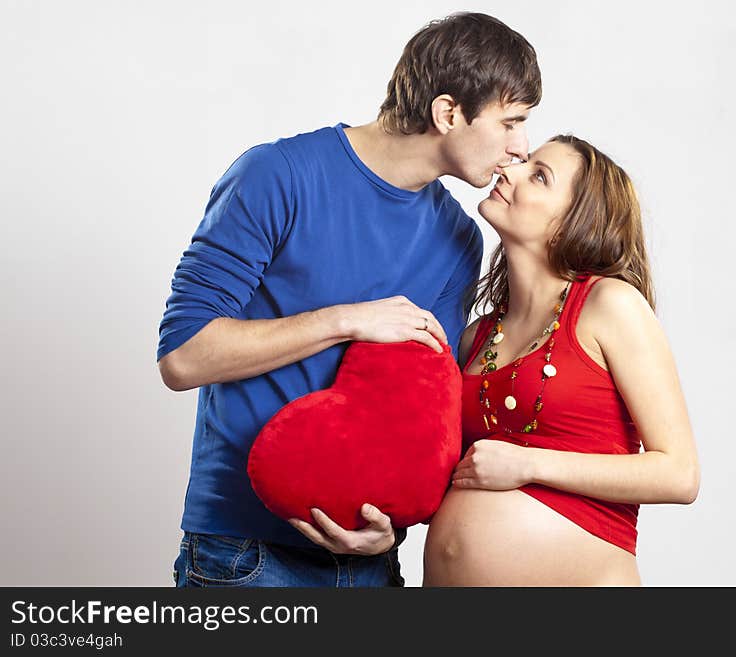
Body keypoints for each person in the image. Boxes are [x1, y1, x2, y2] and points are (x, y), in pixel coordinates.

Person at [157, 12, 541, 587]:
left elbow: (417, 406)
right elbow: (183, 356)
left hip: (370, 557)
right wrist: (346, 321)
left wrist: (394, 526)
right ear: (447, 113)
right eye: (510, 122)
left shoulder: (460, 239)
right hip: (245, 551)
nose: (521, 146)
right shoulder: (277, 175)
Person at [423, 135, 700, 586]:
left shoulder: (610, 306)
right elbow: (451, 471)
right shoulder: (476, 338)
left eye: (538, 176)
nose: (508, 171)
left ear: (574, 222)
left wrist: (530, 465)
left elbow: (679, 473)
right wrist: (386, 527)